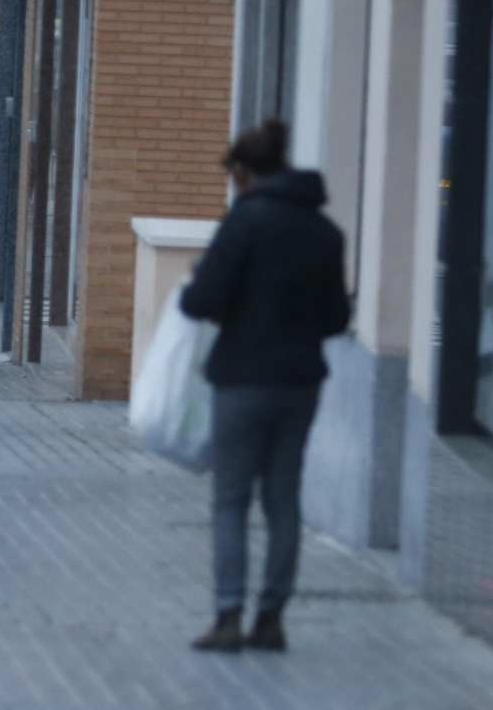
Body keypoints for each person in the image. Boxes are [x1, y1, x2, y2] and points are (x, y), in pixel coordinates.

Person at [179, 118, 351, 655]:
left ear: (247, 173)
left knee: (231, 499)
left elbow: (200, 302)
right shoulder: (326, 232)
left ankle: (229, 616)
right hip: (300, 384)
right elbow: (336, 319)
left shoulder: (245, 222)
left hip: (244, 381)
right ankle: (271, 619)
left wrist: (205, 276)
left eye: (233, 177)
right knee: (283, 500)